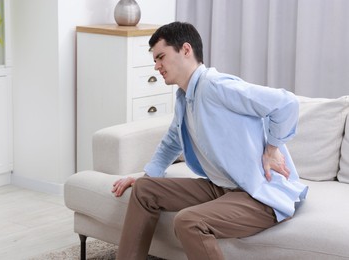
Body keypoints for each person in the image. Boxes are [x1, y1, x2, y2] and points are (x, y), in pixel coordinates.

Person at [112, 21, 308, 260]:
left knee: (189, 221)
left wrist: (272, 148)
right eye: (155, 60)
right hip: (222, 188)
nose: (156, 66)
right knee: (144, 189)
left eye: (161, 57)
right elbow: (172, 141)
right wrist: (147, 175)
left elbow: (286, 103)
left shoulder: (215, 86)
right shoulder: (185, 98)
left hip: (259, 196)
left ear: (186, 49)